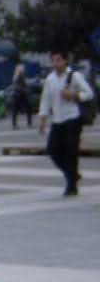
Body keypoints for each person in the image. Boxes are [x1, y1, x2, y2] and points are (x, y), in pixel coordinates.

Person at [38, 50, 94, 197]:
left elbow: (89, 93)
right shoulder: (50, 79)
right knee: (53, 150)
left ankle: (71, 186)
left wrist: (75, 95)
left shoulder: (74, 76)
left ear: (65, 61)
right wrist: (43, 119)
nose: (55, 64)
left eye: (58, 60)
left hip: (72, 119)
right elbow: (46, 100)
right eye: (53, 61)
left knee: (71, 152)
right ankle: (72, 174)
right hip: (57, 120)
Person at [9, 63, 33, 129]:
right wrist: (27, 89)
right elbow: (25, 84)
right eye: (23, 68)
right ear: (20, 69)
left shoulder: (15, 75)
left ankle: (14, 125)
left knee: (15, 110)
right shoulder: (20, 75)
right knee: (28, 108)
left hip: (16, 94)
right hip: (21, 94)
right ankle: (29, 123)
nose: (24, 69)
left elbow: (16, 85)